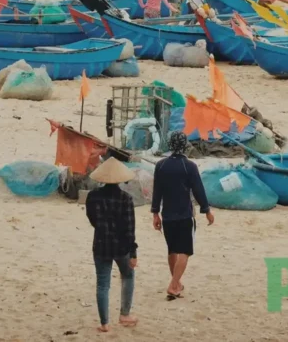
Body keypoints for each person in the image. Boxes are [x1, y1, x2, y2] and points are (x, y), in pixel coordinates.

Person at [151, 131, 214, 300]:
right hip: (185, 215)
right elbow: (198, 191)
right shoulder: (190, 166)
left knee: (172, 250)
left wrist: (155, 213)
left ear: (170, 145)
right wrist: (206, 210)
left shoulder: (161, 165)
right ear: (185, 145)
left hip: (168, 216)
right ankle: (173, 285)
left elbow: (157, 191)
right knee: (184, 251)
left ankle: (176, 283)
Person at [85, 157, 139, 332]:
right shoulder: (126, 199)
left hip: (101, 244)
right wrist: (133, 252)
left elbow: (92, 220)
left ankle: (104, 323)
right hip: (122, 246)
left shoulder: (92, 197)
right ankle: (124, 314)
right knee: (128, 276)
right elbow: (129, 228)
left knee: (102, 284)